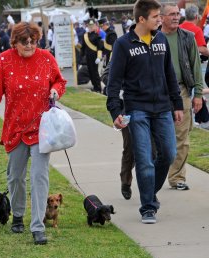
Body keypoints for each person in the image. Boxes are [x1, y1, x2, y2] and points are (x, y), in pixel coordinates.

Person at [0, 22, 67, 245]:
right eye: (25, 41)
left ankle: (38, 226)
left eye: (34, 40)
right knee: (15, 178)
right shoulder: (4, 61)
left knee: (39, 175)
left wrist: (55, 91)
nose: (30, 45)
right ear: (14, 42)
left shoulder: (46, 58)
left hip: (42, 129)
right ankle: (19, 215)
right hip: (15, 129)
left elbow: (59, 81)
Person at [106, 0, 184, 224]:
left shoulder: (161, 40)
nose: (160, 20)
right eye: (155, 16)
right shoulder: (123, 44)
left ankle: (150, 192)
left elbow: (169, 73)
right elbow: (114, 82)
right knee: (144, 159)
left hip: (162, 108)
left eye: (160, 16)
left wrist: (176, 104)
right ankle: (148, 207)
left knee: (168, 154)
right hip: (136, 109)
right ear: (141, 19)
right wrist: (115, 111)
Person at [160, 3, 203, 191]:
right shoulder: (153, 38)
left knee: (182, 138)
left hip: (182, 91)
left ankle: (177, 177)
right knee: (158, 140)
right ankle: (155, 176)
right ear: (161, 17)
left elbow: (195, 67)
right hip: (157, 93)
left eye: (178, 14)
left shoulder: (187, 38)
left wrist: (198, 94)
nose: (176, 17)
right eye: (171, 14)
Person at [81, 18, 103, 93]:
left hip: (94, 57)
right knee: (90, 72)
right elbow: (83, 48)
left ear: (94, 26)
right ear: (87, 26)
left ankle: (98, 88)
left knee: (95, 73)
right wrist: (81, 58)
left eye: (92, 25)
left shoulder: (97, 36)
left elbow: (100, 47)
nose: (90, 27)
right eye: (89, 25)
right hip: (88, 57)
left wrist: (99, 57)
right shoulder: (85, 36)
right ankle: (94, 86)